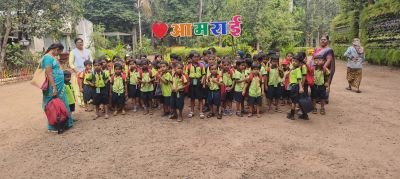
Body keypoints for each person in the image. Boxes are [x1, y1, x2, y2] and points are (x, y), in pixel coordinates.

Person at [41, 43, 73, 132]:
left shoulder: (52, 57)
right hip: (53, 86)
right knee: (52, 104)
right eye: (59, 52)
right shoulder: (47, 57)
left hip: (59, 84)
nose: (59, 54)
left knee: (62, 103)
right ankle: (53, 126)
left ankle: (65, 122)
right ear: (56, 49)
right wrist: (54, 87)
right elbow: (48, 73)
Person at [312, 35, 335, 101]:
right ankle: (317, 97)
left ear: (327, 41)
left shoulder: (328, 50)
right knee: (317, 82)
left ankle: (325, 98)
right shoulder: (316, 49)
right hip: (316, 68)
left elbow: (329, 59)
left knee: (325, 82)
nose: (323, 40)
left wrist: (324, 67)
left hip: (324, 69)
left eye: (324, 39)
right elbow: (313, 58)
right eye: (321, 39)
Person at [185, 51, 206, 119]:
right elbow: (186, 75)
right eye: (194, 57)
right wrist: (187, 82)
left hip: (199, 82)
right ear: (191, 58)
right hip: (191, 83)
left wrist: (202, 79)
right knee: (192, 98)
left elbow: (204, 74)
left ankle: (201, 112)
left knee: (200, 98)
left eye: (197, 56)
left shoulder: (201, 66)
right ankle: (192, 111)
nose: (196, 58)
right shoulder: (188, 66)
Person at [287, 55, 308, 120]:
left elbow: (299, 79)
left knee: (294, 102)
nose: (294, 62)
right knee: (299, 101)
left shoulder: (298, 69)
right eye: (293, 61)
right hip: (294, 86)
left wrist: (301, 87)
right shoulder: (294, 69)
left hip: (295, 86)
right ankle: (305, 115)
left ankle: (292, 115)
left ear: (299, 63)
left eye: (296, 61)